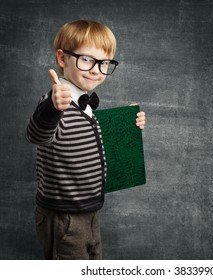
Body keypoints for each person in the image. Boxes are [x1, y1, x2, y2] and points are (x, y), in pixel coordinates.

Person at [26, 19, 146, 259]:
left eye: (103, 63)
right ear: (62, 59)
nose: (96, 70)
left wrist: (129, 126)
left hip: (90, 210)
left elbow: (93, 146)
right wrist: (52, 107)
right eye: (87, 59)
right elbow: (37, 134)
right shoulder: (54, 104)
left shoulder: (87, 107)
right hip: (63, 217)